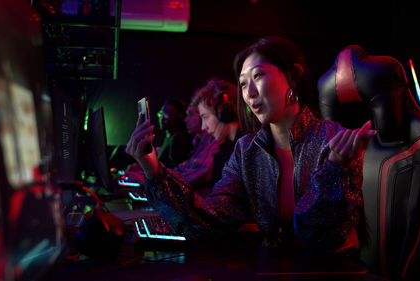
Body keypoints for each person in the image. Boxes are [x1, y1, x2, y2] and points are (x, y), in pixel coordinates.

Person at [125, 36, 376, 254]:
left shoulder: (336, 142)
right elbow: (211, 218)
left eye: (258, 76)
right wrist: (153, 171)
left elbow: (321, 236)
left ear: (293, 77)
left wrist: (335, 169)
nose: (249, 92)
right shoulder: (247, 150)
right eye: (244, 83)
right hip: (272, 268)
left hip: (330, 271)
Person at [156, 98, 192, 168]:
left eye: (166, 114)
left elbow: (176, 170)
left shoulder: (178, 138)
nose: (162, 117)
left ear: (179, 116)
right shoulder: (169, 136)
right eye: (161, 113)